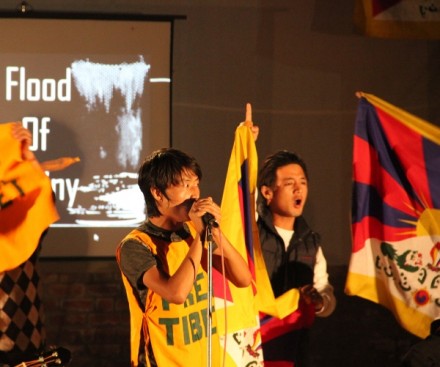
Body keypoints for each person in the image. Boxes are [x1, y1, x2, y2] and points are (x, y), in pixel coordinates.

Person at [116, 147, 252, 367]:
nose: (195, 193)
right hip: (163, 360)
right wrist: (200, 235)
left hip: (206, 359)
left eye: (196, 183)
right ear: (157, 193)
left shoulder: (191, 231)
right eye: (185, 185)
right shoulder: (135, 245)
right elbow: (176, 293)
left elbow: (243, 278)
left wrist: (214, 231)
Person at [256, 148, 336, 367]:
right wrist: (247, 146)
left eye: (303, 182)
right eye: (290, 183)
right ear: (267, 192)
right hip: (253, 349)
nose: (299, 189)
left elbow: (325, 293)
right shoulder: (251, 236)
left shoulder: (311, 242)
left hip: (293, 351)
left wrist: (319, 302)